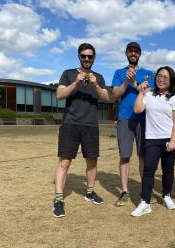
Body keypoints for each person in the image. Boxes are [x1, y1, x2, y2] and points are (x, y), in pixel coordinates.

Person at [52, 43, 110, 218]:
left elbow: (107, 98)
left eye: (90, 56)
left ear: (94, 58)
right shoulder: (68, 73)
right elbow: (60, 95)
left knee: (92, 161)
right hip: (70, 124)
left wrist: (96, 86)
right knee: (65, 162)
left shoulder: (98, 77)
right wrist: (76, 82)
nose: (86, 59)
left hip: (91, 125)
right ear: (79, 56)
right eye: (83, 56)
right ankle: (59, 200)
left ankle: (90, 192)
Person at [131, 66, 175, 217]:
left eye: (165, 77)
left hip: (169, 139)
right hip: (152, 138)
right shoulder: (149, 95)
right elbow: (137, 110)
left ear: (171, 80)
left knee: (168, 170)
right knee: (149, 170)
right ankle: (145, 202)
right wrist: (141, 92)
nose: (161, 79)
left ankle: (166, 195)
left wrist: (173, 141)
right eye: (159, 76)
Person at [111, 42, 154, 206]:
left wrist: (135, 83)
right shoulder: (119, 72)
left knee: (143, 156)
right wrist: (126, 82)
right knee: (125, 156)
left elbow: (149, 94)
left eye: (136, 51)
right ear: (127, 53)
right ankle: (124, 191)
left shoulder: (148, 73)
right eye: (130, 51)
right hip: (125, 118)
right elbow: (115, 94)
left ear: (140, 54)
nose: (133, 53)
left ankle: (144, 190)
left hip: (144, 119)